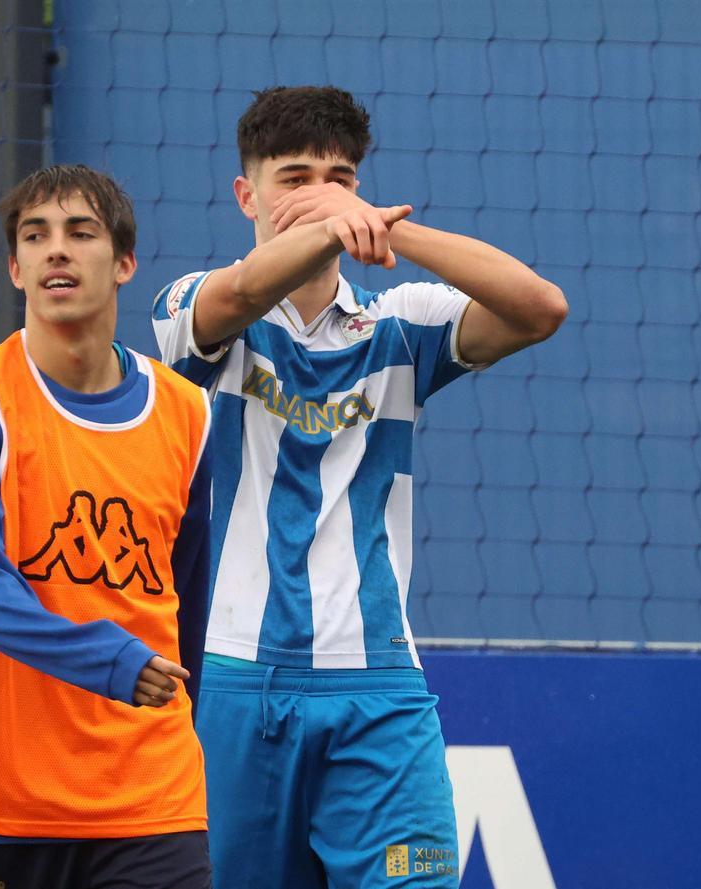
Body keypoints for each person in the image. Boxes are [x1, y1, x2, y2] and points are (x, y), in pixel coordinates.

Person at [152, 86, 567, 888]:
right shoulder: (196, 309)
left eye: (338, 180)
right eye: (294, 180)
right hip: (239, 685)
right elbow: (240, 296)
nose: (320, 198)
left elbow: (540, 307)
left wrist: (388, 228)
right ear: (246, 196)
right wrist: (326, 224)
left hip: (380, 690)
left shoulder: (399, 323)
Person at [0, 164, 213, 889]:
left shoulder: (188, 412)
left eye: (81, 232)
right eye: (35, 236)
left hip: (151, 792)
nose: (57, 251)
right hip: (2, 797)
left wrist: (187, 716)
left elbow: (191, 597)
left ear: (125, 262)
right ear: (16, 269)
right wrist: (113, 661)